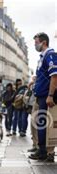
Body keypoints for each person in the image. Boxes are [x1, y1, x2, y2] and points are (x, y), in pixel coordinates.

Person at [28, 32, 57, 162]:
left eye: (36, 42)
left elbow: (54, 76)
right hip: (41, 95)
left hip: (46, 96)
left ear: (43, 42)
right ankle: (42, 149)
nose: (35, 45)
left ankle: (43, 151)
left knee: (43, 124)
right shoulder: (43, 57)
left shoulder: (50, 55)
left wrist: (50, 95)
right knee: (40, 123)